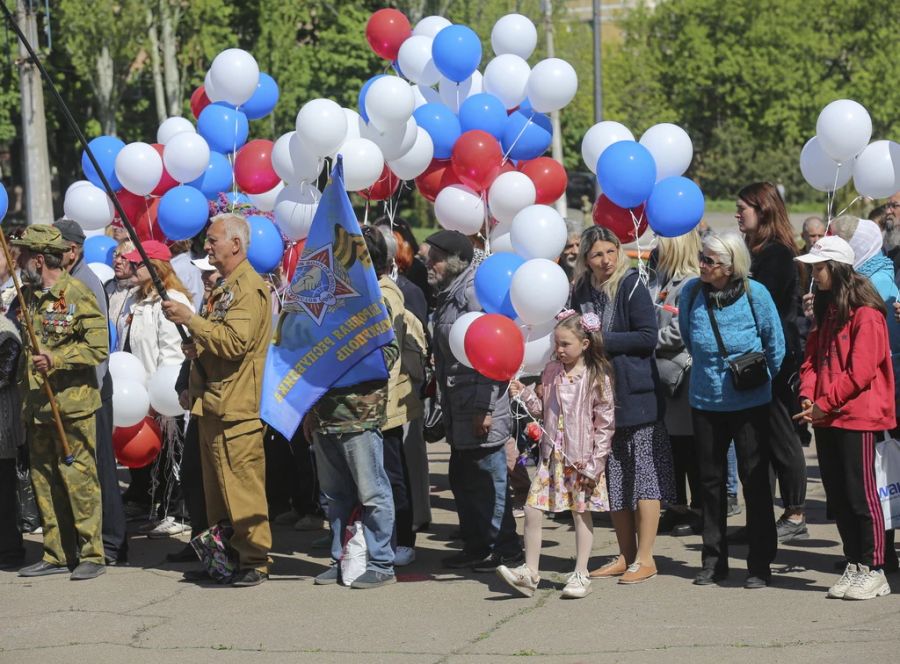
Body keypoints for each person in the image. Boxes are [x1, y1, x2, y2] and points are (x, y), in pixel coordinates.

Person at [161, 213, 273, 587]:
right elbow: (217, 339)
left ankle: (254, 560)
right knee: (214, 492)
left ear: (236, 245)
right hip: (212, 401)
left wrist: (192, 320)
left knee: (241, 487)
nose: (206, 246)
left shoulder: (248, 288)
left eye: (212, 240)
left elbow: (236, 342)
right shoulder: (223, 287)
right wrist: (196, 346)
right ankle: (221, 558)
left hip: (238, 405)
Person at [570, 225, 674, 584]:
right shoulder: (581, 290)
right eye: (597, 254)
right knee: (614, 477)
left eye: (611, 252)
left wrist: (600, 340)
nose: (606, 260)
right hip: (600, 398)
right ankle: (626, 554)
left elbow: (648, 338)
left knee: (644, 476)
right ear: (586, 258)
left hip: (637, 396)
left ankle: (646, 558)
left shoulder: (631, 286)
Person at [680, 232, 784, 588]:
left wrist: (757, 379)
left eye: (710, 261)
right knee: (709, 485)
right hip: (705, 402)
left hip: (750, 402)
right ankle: (713, 560)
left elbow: (776, 345)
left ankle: (759, 564)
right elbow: (688, 337)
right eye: (702, 257)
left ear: (730, 265)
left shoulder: (757, 295)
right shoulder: (691, 293)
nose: (702, 265)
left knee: (755, 483)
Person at [795, 235, 895, 600]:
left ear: (835, 268)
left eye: (818, 268)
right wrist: (809, 394)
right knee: (838, 495)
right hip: (827, 415)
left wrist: (826, 401)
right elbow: (812, 357)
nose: (813, 274)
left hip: (858, 416)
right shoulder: (827, 309)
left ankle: (875, 567)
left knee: (860, 494)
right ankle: (854, 561)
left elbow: (862, 371)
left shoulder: (866, 314)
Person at [12, 226, 108, 580]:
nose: (19, 261)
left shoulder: (77, 293)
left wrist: (57, 358)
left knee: (79, 480)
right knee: (44, 480)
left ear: (40, 259)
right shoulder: (29, 297)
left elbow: (98, 347)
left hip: (71, 405)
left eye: (24, 255)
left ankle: (91, 553)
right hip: (38, 406)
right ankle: (55, 553)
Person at [497, 311, 614, 599]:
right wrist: (523, 393)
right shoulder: (551, 372)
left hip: (581, 459)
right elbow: (542, 409)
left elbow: (605, 423)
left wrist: (596, 463)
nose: (558, 350)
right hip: (552, 456)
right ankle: (530, 572)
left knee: (580, 513)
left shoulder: (596, 376)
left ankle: (581, 572)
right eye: (556, 344)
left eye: (565, 345)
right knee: (534, 508)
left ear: (585, 344)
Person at [429, 229, 523, 571]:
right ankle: (477, 544)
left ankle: (506, 548)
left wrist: (484, 407)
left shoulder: (473, 293)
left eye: (436, 258)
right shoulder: (448, 293)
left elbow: (491, 354)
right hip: (458, 403)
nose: (430, 264)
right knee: (463, 478)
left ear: (457, 260)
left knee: (489, 480)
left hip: (479, 406)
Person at [304, 260, 401, 591]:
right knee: (334, 496)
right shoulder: (316, 310)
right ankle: (341, 557)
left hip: (359, 416)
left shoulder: (373, 307)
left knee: (372, 491)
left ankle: (380, 562)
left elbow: (389, 354)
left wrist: (345, 357)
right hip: (324, 418)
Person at [736, 182, 808, 543]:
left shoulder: (777, 255)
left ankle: (794, 512)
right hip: (753, 358)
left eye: (742, 208)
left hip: (778, 359)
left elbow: (765, 307)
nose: (737, 214)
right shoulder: (754, 250)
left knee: (781, 437)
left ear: (762, 210)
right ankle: (759, 520)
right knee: (755, 445)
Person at [54, 218, 128, 565]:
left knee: (101, 468)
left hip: (93, 390)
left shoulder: (86, 282)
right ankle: (91, 539)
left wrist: (92, 394)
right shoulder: (64, 281)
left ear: (73, 249)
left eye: (56, 249)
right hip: (75, 391)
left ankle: (112, 542)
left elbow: (97, 346)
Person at [121, 240, 194, 537]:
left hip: (165, 394)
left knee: (173, 453)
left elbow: (173, 351)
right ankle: (160, 508)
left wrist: (160, 391)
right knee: (156, 456)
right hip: (142, 393)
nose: (130, 267)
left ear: (156, 267)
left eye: (137, 263)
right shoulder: (136, 300)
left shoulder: (172, 299)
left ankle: (180, 513)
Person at [653, 230, 703, 535]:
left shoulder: (690, 283)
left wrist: (648, 341)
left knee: (689, 447)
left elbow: (680, 329)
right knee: (672, 447)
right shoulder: (664, 279)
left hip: (682, 377)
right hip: (665, 375)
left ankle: (699, 509)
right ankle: (676, 505)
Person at [0, 261, 24, 569]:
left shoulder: (6, 332)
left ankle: (10, 550)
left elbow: (4, 373)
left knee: (4, 490)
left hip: (3, 425)